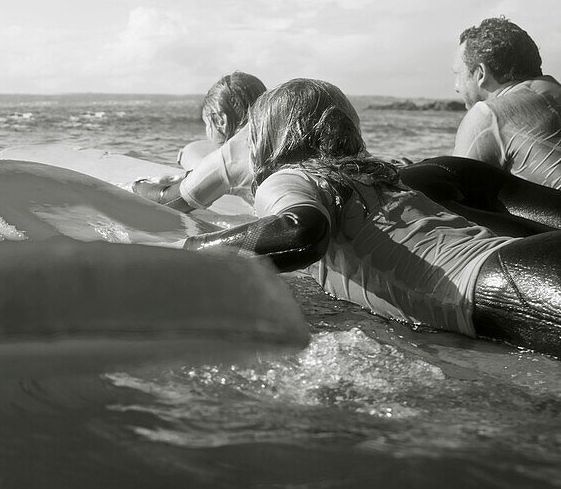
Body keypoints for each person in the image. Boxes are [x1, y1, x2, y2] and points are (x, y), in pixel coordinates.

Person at [180, 78, 561, 357]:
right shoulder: (380, 173)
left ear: (268, 138)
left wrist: (188, 249)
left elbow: (301, 231)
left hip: (497, 284)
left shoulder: (289, 178)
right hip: (521, 263)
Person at [452, 17, 561, 188]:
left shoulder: (487, 114)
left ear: (480, 73)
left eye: (457, 74)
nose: (456, 87)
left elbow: (453, 189)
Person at [133, 71, 264, 212]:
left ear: (221, 121)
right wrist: (189, 176)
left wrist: (137, 185)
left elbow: (167, 201)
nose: (207, 131)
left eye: (207, 124)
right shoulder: (276, 131)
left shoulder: (231, 156)